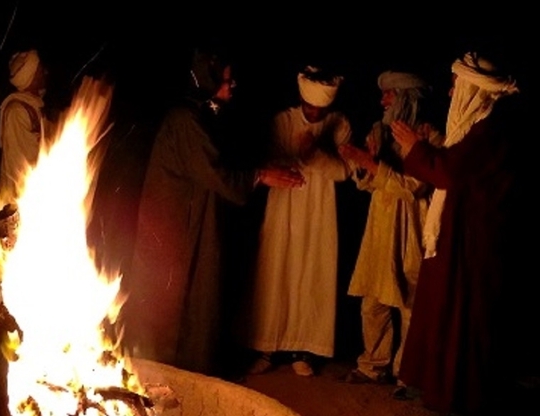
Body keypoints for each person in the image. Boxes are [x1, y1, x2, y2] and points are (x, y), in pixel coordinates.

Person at [122, 50, 303, 375]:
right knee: (174, 297)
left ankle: (189, 372)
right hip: (175, 225)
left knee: (197, 296)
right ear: (206, 80)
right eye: (225, 80)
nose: (232, 85)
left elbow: (221, 161)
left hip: (194, 218)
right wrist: (260, 175)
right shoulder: (185, 119)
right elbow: (216, 173)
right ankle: (163, 372)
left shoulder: (203, 114)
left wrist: (261, 169)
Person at [390, 52, 523, 416]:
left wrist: (416, 148)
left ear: (472, 90)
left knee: (465, 321)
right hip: (455, 234)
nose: (451, 93)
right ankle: (433, 384)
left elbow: (449, 171)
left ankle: (467, 406)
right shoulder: (477, 126)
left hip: (474, 242)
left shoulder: (490, 130)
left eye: (456, 86)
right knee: (440, 310)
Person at [247, 66, 352, 376]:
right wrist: (295, 158)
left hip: (319, 211)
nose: (314, 113)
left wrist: (315, 153)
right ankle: (266, 346)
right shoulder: (283, 121)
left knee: (311, 273)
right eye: (310, 107)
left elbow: (344, 172)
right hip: (284, 207)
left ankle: (302, 349)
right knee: (275, 271)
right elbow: (268, 160)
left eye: (320, 109)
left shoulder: (340, 124)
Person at [338, 71, 441, 387]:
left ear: (406, 98)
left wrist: (370, 164)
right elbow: (369, 184)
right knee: (373, 301)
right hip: (380, 226)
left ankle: (406, 372)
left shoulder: (429, 136)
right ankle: (373, 364)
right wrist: (363, 166)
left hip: (411, 227)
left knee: (409, 302)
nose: (383, 100)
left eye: (389, 94)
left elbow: (414, 187)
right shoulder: (378, 132)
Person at [0, 50, 48, 205]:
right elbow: (22, 162)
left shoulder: (34, 106)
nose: (45, 72)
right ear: (31, 77)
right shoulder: (17, 111)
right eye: (40, 70)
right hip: (21, 199)